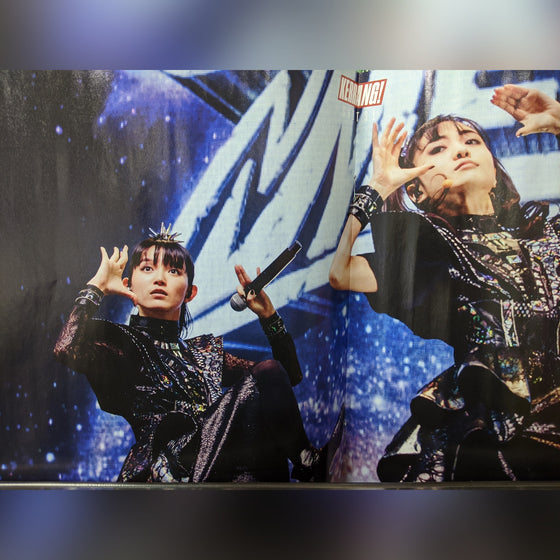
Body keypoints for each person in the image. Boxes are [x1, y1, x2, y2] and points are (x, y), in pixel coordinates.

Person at [329, 83, 560, 482]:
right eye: (438, 148)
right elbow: (340, 272)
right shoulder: (431, 257)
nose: (460, 150)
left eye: (471, 141)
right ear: (417, 190)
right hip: (495, 435)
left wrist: (558, 122)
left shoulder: (546, 234)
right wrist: (379, 188)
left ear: (494, 168)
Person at [54, 225, 343, 483]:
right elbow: (66, 348)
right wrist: (96, 287)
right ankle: (308, 464)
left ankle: (302, 467)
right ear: (128, 284)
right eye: (147, 268)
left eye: (173, 271)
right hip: (166, 474)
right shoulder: (121, 343)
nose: (160, 278)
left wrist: (269, 317)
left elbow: (285, 377)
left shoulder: (202, 354)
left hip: (216, 465)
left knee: (266, 377)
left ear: (190, 292)